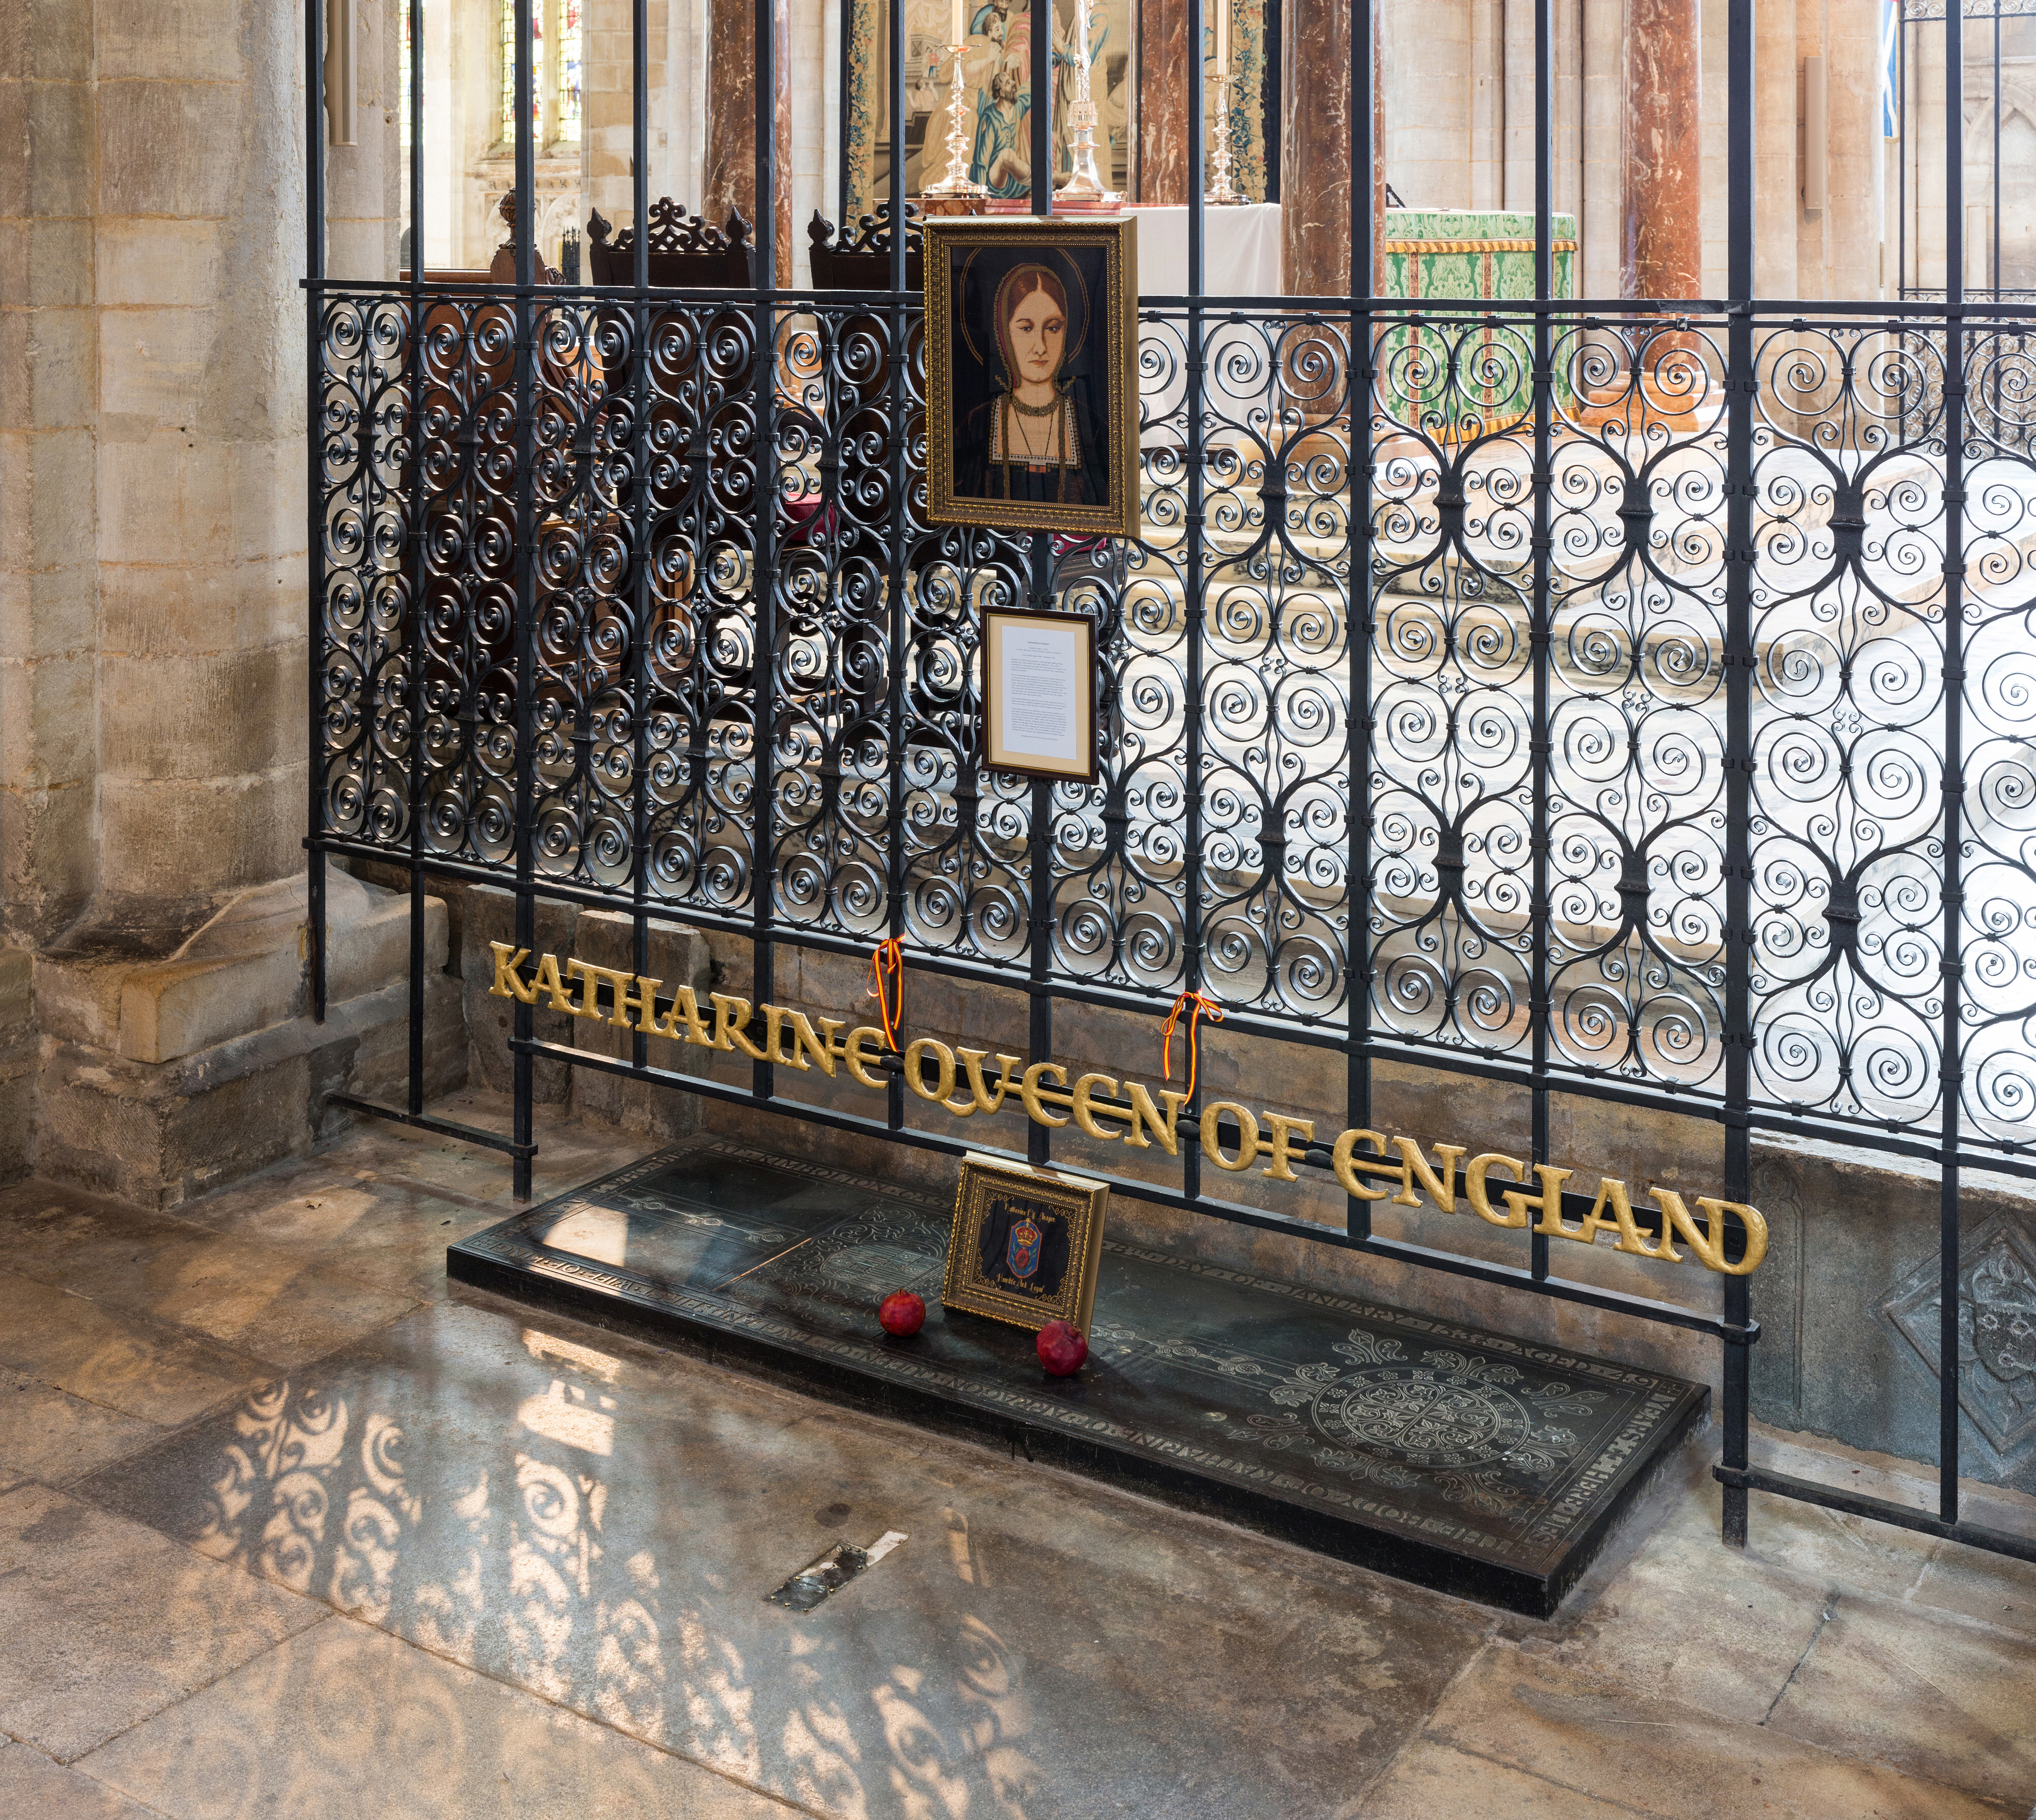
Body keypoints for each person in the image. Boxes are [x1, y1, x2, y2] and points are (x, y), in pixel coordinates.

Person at [955, 261, 1108, 509]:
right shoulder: (978, 423)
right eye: (1026, 328)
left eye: (1053, 328)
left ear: (1066, 332)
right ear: (1006, 334)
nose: (1041, 346)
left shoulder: (1091, 425)